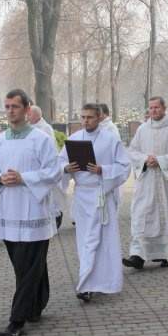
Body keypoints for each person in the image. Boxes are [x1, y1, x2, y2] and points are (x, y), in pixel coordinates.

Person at [0, 89, 62, 336]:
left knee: (29, 268)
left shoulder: (40, 139)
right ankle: (38, 302)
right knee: (24, 267)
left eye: (15, 107)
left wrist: (23, 178)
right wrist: (0, 177)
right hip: (9, 212)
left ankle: (16, 321)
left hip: (34, 212)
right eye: (7, 106)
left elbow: (54, 171)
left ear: (27, 110)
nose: (10, 111)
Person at [60, 103, 130, 302]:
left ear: (99, 118)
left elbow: (124, 167)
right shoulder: (73, 139)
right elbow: (59, 163)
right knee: (85, 241)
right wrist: (66, 168)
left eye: (90, 117)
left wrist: (103, 170)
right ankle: (87, 282)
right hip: (82, 197)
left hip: (101, 196)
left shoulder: (111, 139)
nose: (85, 121)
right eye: (82, 117)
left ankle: (98, 282)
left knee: (101, 241)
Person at [122, 96, 168, 269]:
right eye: (151, 108)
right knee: (142, 216)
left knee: (165, 217)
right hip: (147, 181)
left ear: (164, 108)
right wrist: (145, 160)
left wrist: (161, 161)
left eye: (156, 107)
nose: (153, 111)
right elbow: (132, 150)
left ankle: (165, 255)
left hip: (167, 182)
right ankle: (137, 256)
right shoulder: (142, 129)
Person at [28, 104, 64, 229]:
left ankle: (56, 219)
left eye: (30, 114)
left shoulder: (45, 128)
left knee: (52, 197)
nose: (28, 116)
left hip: (44, 167)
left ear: (38, 115)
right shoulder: (28, 128)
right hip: (34, 169)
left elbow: (50, 147)